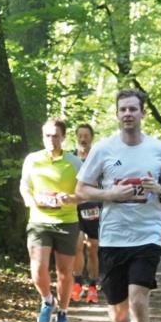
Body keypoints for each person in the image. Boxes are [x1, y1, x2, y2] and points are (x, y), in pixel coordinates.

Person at [75, 88, 161, 322]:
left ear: (142, 113)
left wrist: (159, 187)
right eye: (123, 109)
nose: (128, 114)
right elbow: (82, 189)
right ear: (117, 114)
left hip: (146, 236)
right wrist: (111, 195)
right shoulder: (104, 149)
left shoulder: (159, 149)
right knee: (118, 313)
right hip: (112, 238)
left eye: (133, 109)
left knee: (138, 301)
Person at [20, 118, 82, 322]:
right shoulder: (32, 159)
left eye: (56, 135)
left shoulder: (74, 163)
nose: (52, 140)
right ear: (42, 137)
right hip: (39, 220)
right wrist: (30, 200)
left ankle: (63, 312)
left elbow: (86, 191)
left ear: (63, 137)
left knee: (65, 271)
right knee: (38, 268)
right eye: (48, 135)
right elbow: (24, 186)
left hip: (66, 221)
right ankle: (47, 300)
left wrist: (71, 198)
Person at [72, 123, 101, 304]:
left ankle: (92, 286)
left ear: (92, 137)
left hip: (93, 208)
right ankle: (76, 284)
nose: (83, 139)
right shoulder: (71, 158)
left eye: (86, 135)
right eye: (80, 135)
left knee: (92, 249)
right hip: (75, 207)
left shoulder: (98, 158)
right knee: (77, 247)